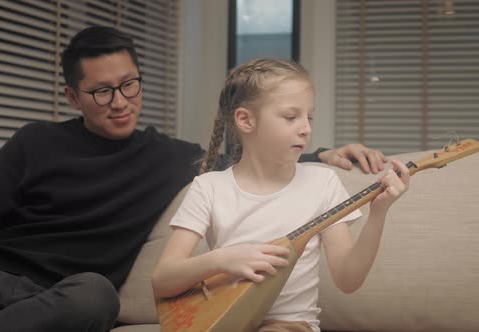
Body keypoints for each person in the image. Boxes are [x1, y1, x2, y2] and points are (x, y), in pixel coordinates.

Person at [0, 26, 386, 332]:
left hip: (68, 296)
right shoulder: (33, 140)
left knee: (96, 296)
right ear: (72, 96)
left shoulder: (173, 159)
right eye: (102, 91)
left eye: (129, 84)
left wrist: (323, 154)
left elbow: (254, 160)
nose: (121, 101)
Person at [151, 58, 409, 332]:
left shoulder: (322, 183)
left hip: (290, 325)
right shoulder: (208, 188)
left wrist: (378, 215)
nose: (306, 128)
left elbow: (348, 279)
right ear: (245, 120)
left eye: (309, 117)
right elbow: (163, 279)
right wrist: (222, 259)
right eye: (290, 117)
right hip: (226, 321)